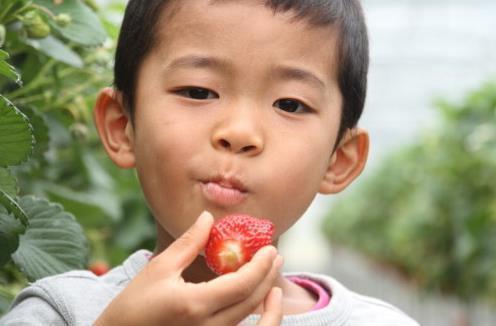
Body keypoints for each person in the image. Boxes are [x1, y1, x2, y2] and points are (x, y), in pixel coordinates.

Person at [1, 0, 419, 325]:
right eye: (198, 91)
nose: (238, 132)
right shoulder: (59, 313)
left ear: (338, 161)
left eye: (289, 104)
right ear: (122, 125)